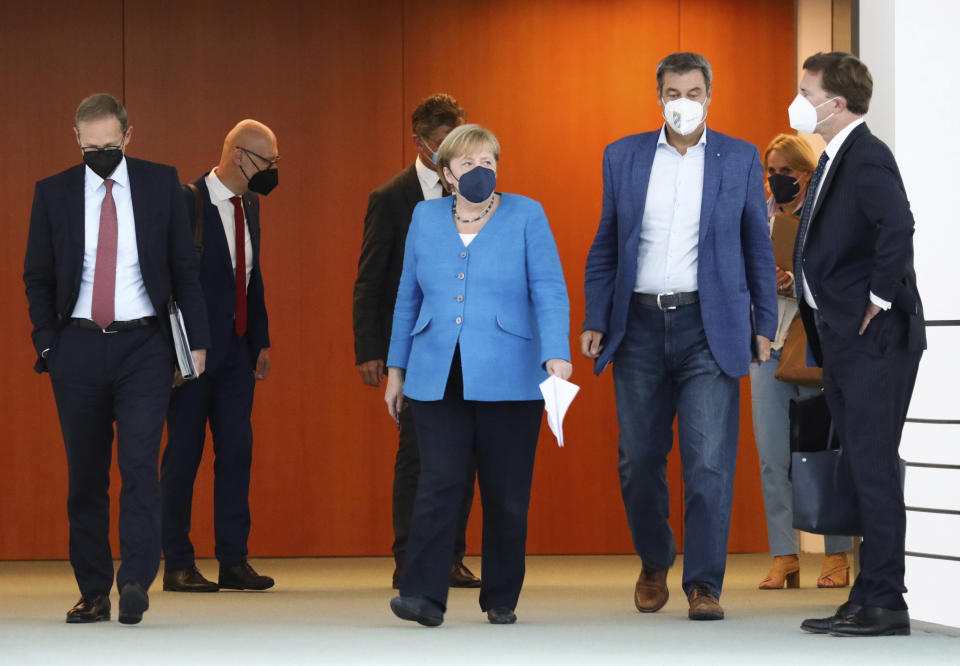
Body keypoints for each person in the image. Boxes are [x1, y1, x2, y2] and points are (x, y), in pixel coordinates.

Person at [581, 52, 777, 621]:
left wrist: (764, 323)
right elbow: (606, 244)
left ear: (710, 95)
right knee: (638, 460)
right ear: (658, 96)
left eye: (693, 91)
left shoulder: (738, 157)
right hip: (637, 325)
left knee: (709, 463)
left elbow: (756, 249)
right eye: (673, 91)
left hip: (709, 327)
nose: (683, 101)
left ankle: (704, 583)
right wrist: (596, 316)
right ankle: (654, 557)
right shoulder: (623, 155)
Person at [23, 93, 210, 625]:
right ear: (76, 139)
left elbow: (183, 268)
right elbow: (36, 274)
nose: (100, 153)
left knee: (138, 467)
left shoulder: (161, 185)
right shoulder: (53, 193)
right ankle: (93, 590)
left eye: (109, 144)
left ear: (128, 137)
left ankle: (134, 582)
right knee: (85, 476)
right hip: (77, 347)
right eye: (90, 146)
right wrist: (47, 344)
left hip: (144, 347)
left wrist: (194, 342)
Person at [384, 124, 571, 626]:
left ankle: (501, 596)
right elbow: (407, 297)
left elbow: (550, 289)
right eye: (467, 163)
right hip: (435, 374)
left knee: (506, 493)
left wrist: (557, 353)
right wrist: (395, 370)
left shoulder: (527, 214)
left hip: (511, 374)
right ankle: (423, 595)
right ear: (446, 173)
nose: (479, 170)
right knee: (438, 483)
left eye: (488, 161)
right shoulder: (424, 217)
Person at [791, 52, 924, 638]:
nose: (798, 100)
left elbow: (898, 225)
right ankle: (867, 594)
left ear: (834, 102)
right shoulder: (834, 157)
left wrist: (880, 298)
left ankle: (885, 600)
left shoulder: (867, 155)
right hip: (843, 339)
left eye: (805, 91)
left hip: (875, 340)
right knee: (861, 467)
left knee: (872, 467)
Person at [353, 94, 481, 589]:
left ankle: (450, 555)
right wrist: (370, 348)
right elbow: (370, 278)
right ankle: (409, 557)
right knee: (417, 454)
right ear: (419, 143)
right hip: (414, 346)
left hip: (471, 344)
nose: (451, 153)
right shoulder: (392, 197)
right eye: (441, 143)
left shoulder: (479, 192)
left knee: (465, 451)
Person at [160, 120, 277, 593]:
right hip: (191, 355)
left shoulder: (249, 204)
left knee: (236, 455)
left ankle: (234, 560)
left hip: (237, 355)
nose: (272, 171)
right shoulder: (187, 202)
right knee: (183, 457)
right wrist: (173, 353)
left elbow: (251, 276)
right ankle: (178, 564)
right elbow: (166, 284)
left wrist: (261, 340)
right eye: (267, 162)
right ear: (237, 154)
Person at [750, 134, 853, 590]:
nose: (777, 180)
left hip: (814, 346)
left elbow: (845, 276)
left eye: (786, 172)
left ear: (807, 174)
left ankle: (836, 556)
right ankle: (784, 556)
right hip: (765, 348)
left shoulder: (826, 214)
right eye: (771, 172)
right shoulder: (757, 218)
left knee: (823, 452)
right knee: (773, 459)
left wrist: (796, 282)